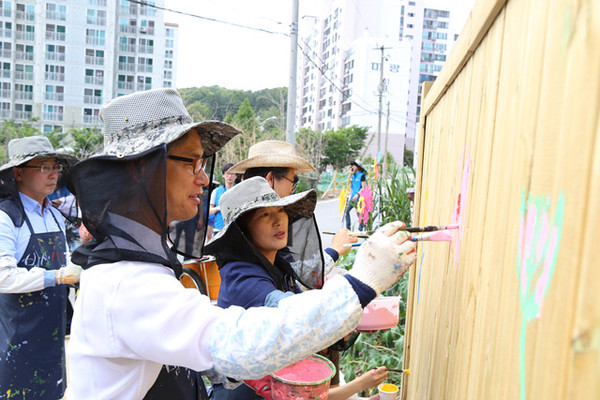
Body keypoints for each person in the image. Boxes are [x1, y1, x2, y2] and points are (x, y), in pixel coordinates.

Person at [66, 88, 416, 399]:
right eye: (192, 161)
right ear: (141, 169)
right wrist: (361, 283)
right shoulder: (126, 284)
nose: (204, 178)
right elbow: (240, 343)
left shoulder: (136, 269)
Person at [204, 177, 393, 400]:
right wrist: (360, 288)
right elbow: (291, 311)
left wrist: (355, 320)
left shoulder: (277, 264)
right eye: (264, 215)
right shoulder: (242, 275)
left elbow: (305, 306)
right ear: (241, 231)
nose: (278, 221)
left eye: (280, 210)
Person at [0, 136, 81, 399]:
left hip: (53, 338)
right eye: (44, 167)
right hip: (15, 340)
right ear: (19, 173)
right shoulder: (6, 217)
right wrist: (56, 276)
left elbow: (67, 263)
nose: (53, 174)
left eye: (55, 167)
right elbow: (3, 276)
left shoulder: (56, 214)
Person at [228, 140, 358, 287]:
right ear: (270, 179)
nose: (292, 190)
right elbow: (300, 275)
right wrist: (335, 249)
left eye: (281, 211)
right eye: (292, 181)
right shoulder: (262, 232)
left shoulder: (243, 215)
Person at [208, 162, 236, 236]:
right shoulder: (216, 191)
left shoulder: (239, 190)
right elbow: (209, 211)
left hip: (235, 229)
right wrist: (218, 208)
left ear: (236, 176)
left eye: (232, 174)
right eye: (227, 173)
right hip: (218, 230)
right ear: (223, 175)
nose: (230, 176)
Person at [345, 160, 367, 231]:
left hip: (358, 198)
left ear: (358, 167)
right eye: (352, 165)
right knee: (346, 211)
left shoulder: (362, 175)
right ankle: (348, 228)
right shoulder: (354, 176)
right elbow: (347, 183)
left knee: (359, 214)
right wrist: (349, 174)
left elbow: (363, 188)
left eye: (354, 165)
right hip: (352, 197)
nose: (352, 167)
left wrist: (357, 195)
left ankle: (361, 228)